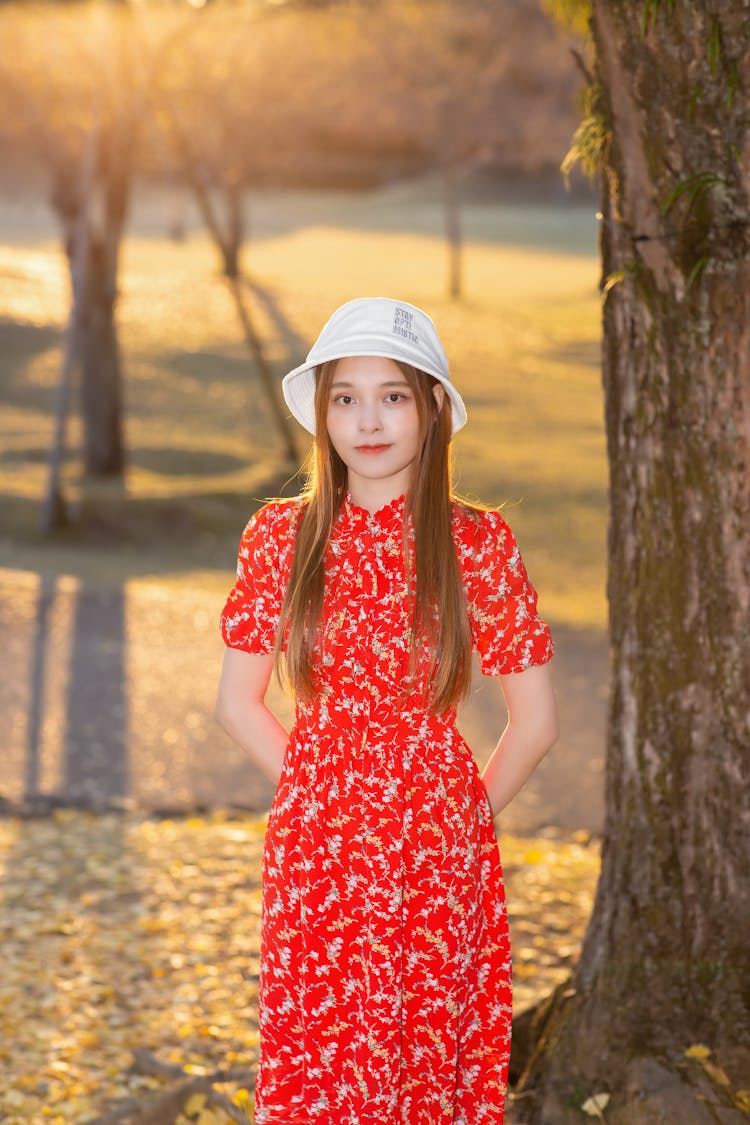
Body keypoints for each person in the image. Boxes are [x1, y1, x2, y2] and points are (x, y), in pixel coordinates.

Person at [214, 296, 558, 1124]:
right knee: (322, 1057)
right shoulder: (278, 535)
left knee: (421, 1061)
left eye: (394, 395)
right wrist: (320, 792)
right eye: (346, 396)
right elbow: (236, 702)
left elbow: (537, 720)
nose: (368, 419)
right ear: (323, 410)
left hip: (435, 850)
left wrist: (452, 818)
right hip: (317, 847)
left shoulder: (476, 542)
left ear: (434, 406)